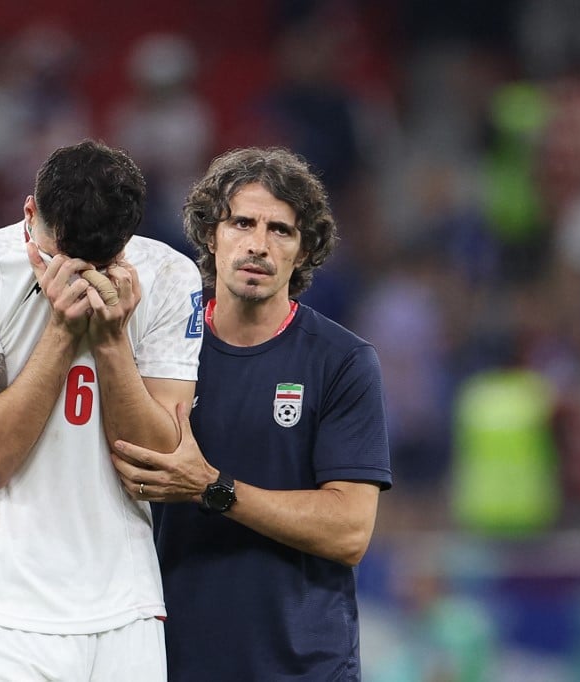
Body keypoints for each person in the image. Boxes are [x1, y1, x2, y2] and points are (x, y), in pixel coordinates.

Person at [0, 139, 204, 680]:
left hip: (125, 603)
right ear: (28, 212)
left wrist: (111, 341)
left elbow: (159, 466)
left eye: (101, 262)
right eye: (61, 254)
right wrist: (64, 333)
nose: (80, 276)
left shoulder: (169, 277)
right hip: (0, 605)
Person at [110, 146, 392, 680]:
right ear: (210, 234)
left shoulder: (343, 362)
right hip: (169, 660)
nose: (258, 245)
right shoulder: (154, 350)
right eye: (242, 222)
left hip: (302, 667)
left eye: (281, 230)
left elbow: (349, 531)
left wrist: (211, 487)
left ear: (304, 250)